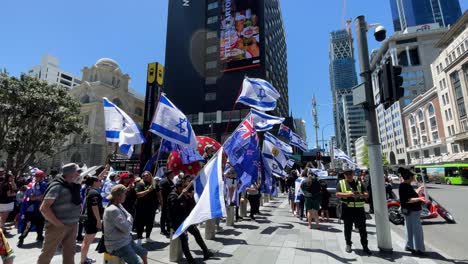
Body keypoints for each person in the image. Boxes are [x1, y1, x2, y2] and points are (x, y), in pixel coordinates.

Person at [37, 163, 83, 264]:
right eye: (77, 172)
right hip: (57, 226)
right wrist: (58, 224)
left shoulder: (74, 186)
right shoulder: (57, 186)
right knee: (47, 254)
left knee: (70, 253)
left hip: (72, 224)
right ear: (70, 173)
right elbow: (44, 208)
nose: (79, 174)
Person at [168, 177, 214, 264]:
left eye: (185, 187)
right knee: (184, 238)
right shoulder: (172, 195)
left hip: (186, 219)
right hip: (176, 222)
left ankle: (206, 251)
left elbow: (190, 206)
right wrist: (182, 196)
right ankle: (189, 259)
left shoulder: (184, 194)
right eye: (182, 187)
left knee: (196, 232)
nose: (184, 189)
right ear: (178, 187)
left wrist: (189, 197)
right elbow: (174, 207)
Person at [104, 184, 148, 264]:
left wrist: (128, 220)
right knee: (136, 262)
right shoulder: (112, 210)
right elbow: (127, 229)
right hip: (117, 245)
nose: (125, 196)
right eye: (124, 194)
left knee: (143, 252)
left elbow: (129, 216)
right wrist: (129, 221)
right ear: (118, 196)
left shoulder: (119, 205)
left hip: (125, 239)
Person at [336, 168, 371, 255]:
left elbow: (367, 194)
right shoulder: (341, 183)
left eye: (350, 174)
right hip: (347, 210)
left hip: (359, 210)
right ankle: (348, 244)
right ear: (344, 175)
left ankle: (365, 246)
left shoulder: (359, 182)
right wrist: (349, 194)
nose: (349, 175)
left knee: (363, 230)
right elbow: (337, 194)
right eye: (347, 174)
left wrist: (360, 195)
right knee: (347, 228)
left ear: (353, 174)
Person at [398, 167, 427, 256]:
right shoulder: (404, 186)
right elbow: (407, 199)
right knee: (416, 230)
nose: (414, 177)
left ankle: (410, 245)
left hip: (409, 211)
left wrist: (418, 191)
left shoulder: (405, 185)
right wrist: (419, 198)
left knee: (409, 228)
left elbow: (410, 195)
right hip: (413, 211)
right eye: (413, 176)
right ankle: (418, 249)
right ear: (409, 177)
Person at [17, 170, 48, 247]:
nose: (37, 178)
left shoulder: (44, 184)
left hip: (40, 208)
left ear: (42, 177)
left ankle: (40, 236)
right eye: (36, 176)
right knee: (28, 224)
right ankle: (21, 239)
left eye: (39, 176)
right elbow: (29, 197)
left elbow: (43, 196)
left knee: (40, 223)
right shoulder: (31, 184)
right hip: (30, 209)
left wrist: (35, 197)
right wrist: (35, 197)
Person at [80, 176, 103, 264]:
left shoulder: (90, 190)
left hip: (89, 219)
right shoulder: (93, 193)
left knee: (87, 241)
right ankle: (83, 261)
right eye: (99, 181)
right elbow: (94, 207)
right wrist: (98, 220)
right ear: (94, 182)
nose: (100, 182)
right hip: (91, 220)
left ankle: (84, 258)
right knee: (87, 241)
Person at [134, 171, 162, 245]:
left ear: (150, 176)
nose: (145, 177)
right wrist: (148, 190)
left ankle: (148, 237)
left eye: (147, 175)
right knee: (140, 223)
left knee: (150, 222)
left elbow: (159, 194)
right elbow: (138, 194)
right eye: (144, 175)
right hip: (141, 207)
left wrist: (161, 203)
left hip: (151, 207)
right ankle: (139, 238)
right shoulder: (140, 184)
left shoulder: (154, 184)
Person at [159, 170, 174, 237]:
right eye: (172, 174)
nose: (173, 175)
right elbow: (160, 192)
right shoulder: (164, 181)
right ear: (168, 174)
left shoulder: (171, 181)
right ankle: (162, 230)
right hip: (165, 202)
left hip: (170, 202)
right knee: (164, 216)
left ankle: (168, 229)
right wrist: (161, 202)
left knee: (169, 216)